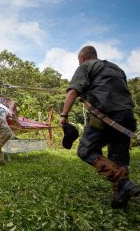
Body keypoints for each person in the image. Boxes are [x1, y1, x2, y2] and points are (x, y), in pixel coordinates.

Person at [60, 45, 139, 208]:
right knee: (118, 158)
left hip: (105, 117)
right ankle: (120, 200)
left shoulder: (85, 66)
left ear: (82, 58)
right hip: (127, 118)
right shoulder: (117, 69)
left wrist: (64, 115)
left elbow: (73, 91)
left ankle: (122, 179)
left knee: (85, 151)